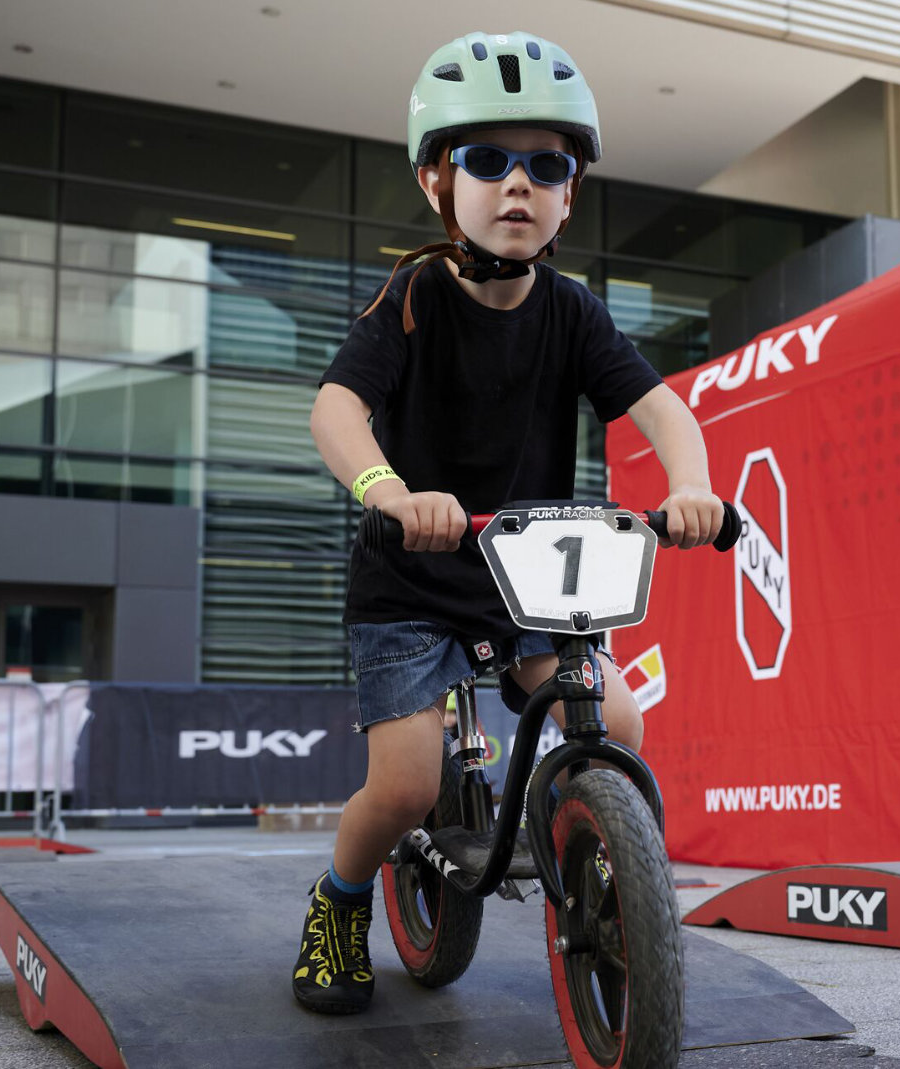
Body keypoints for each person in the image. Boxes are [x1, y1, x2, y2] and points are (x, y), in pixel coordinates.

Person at [292, 30, 724, 1015]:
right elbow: (336, 409)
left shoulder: (572, 311)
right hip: (411, 574)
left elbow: (659, 408)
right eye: (487, 160)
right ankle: (340, 900)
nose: (518, 183)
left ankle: (589, 843)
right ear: (437, 182)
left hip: (529, 576)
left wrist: (692, 483)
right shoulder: (413, 294)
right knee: (404, 787)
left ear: (571, 194)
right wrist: (387, 491)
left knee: (616, 721)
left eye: (547, 165)